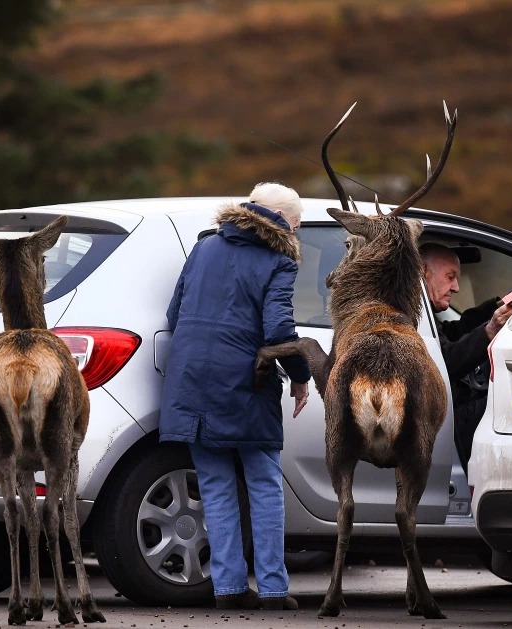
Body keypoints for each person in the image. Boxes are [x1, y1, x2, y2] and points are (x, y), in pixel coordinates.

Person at [160, 182, 311, 611]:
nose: (297, 231)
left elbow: (175, 313)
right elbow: (279, 329)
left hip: (190, 379)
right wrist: (301, 376)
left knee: (215, 485)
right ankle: (274, 589)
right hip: (246, 381)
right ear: (287, 221)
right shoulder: (279, 259)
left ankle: (227, 588)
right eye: (297, 223)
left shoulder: (205, 246)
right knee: (264, 484)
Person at [419, 243, 512, 469]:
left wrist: (496, 307)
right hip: (444, 415)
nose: (456, 288)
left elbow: (451, 334)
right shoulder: (409, 312)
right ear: (423, 272)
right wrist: (490, 330)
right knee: (507, 400)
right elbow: (444, 363)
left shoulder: (422, 311)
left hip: (443, 415)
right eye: (450, 277)